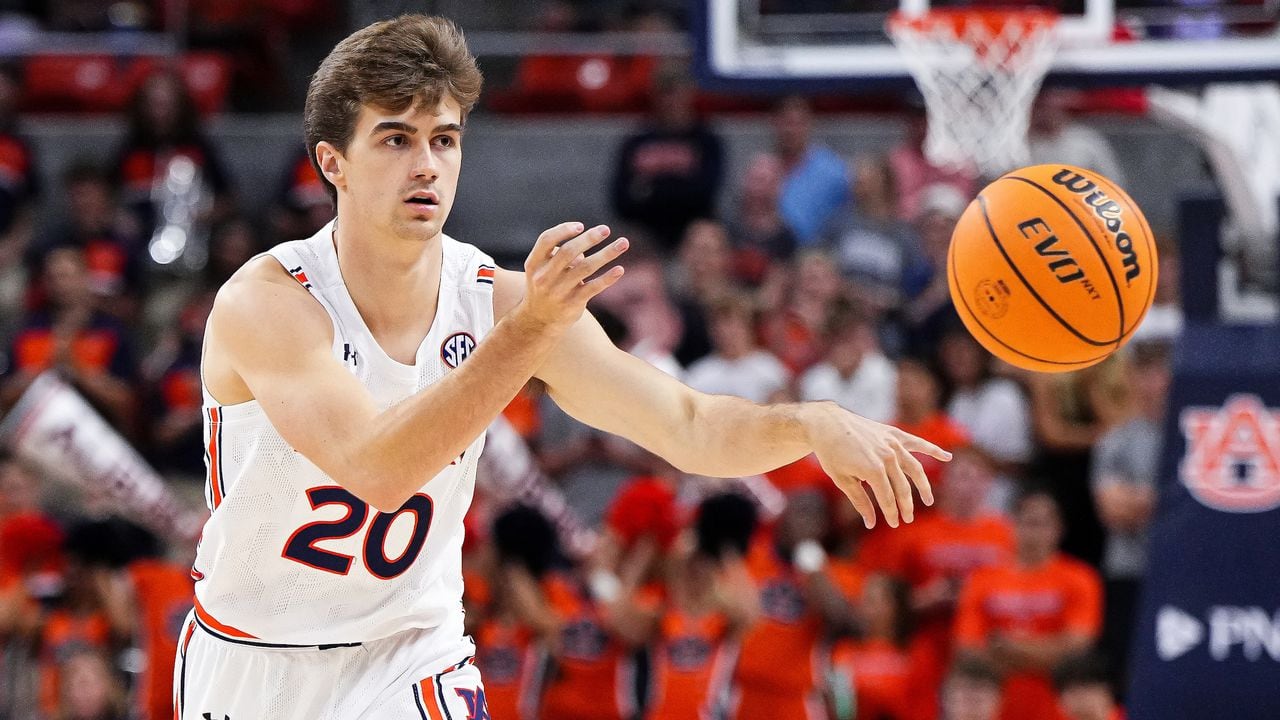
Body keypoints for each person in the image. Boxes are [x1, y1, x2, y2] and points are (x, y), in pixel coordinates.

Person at [180, 14, 949, 720]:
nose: (426, 164)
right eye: (394, 138)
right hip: (250, 662)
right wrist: (528, 331)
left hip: (411, 657)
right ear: (332, 162)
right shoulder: (270, 304)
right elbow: (374, 472)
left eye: (443, 139)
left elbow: (690, 426)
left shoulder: (504, 299)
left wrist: (811, 422)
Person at [954, 488, 1103, 720]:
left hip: (1057, 708)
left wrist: (1011, 647)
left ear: (1059, 529)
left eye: (1043, 524)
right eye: (1028, 522)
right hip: (998, 708)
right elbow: (969, 651)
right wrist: (1048, 652)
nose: (1034, 532)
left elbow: (1077, 651)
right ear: (1012, 524)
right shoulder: (982, 580)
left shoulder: (1080, 578)